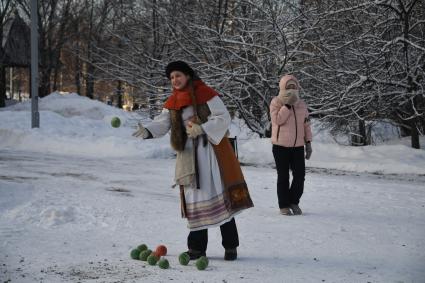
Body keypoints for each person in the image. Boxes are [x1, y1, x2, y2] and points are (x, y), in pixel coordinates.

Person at [133, 61, 253, 260]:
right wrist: (147, 131)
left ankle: (230, 246)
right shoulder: (173, 101)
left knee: (221, 197)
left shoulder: (206, 93)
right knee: (195, 201)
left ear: (188, 75)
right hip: (188, 157)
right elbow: (162, 124)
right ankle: (196, 249)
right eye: (171, 77)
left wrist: (203, 128)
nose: (175, 80)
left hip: (212, 154)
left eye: (178, 75)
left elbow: (223, 117)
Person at [270, 74, 312, 216]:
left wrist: (308, 143)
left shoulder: (302, 104)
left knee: (300, 176)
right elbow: (277, 120)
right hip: (280, 147)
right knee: (283, 177)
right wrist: (287, 105)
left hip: (298, 147)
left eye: (294, 86)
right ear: (283, 87)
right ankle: (284, 205)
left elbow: (306, 125)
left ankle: (294, 201)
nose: (292, 89)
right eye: (289, 86)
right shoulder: (276, 102)